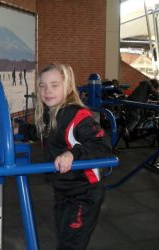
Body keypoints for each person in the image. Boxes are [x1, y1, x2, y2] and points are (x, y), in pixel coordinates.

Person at [35, 64, 112, 250]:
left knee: (71, 243)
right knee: (64, 236)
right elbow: (51, 135)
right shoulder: (50, 113)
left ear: (68, 87)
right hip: (63, 188)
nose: (47, 91)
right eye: (43, 86)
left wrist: (72, 154)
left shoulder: (78, 115)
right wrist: (20, 130)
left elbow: (102, 145)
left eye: (54, 85)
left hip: (84, 191)